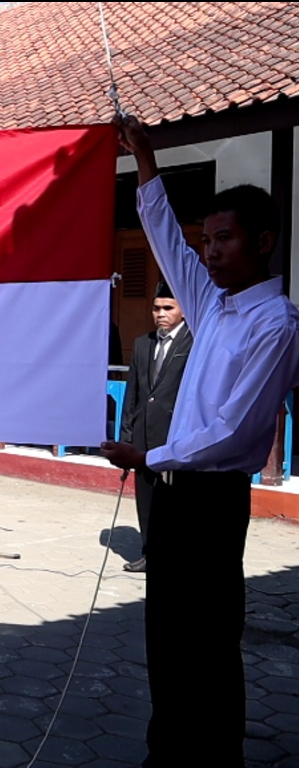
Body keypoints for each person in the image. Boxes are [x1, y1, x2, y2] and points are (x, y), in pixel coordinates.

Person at [101, 113, 299, 767]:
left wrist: (147, 455)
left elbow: (236, 431)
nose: (210, 251)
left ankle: (213, 756)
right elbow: (166, 244)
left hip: (213, 500)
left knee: (208, 642)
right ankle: (169, 750)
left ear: (263, 241)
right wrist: (149, 165)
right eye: (207, 239)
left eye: (225, 239)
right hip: (175, 494)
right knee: (167, 637)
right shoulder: (213, 304)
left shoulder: (276, 324)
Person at [118, 281, 192, 573]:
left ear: (183, 311)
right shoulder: (142, 344)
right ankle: (149, 552)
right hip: (143, 440)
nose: (160, 314)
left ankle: (177, 555)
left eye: (168, 308)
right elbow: (133, 394)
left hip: (176, 438)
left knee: (177, 503)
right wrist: (126, 437)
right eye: (156, 308)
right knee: (147, 500)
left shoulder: (194, 343)